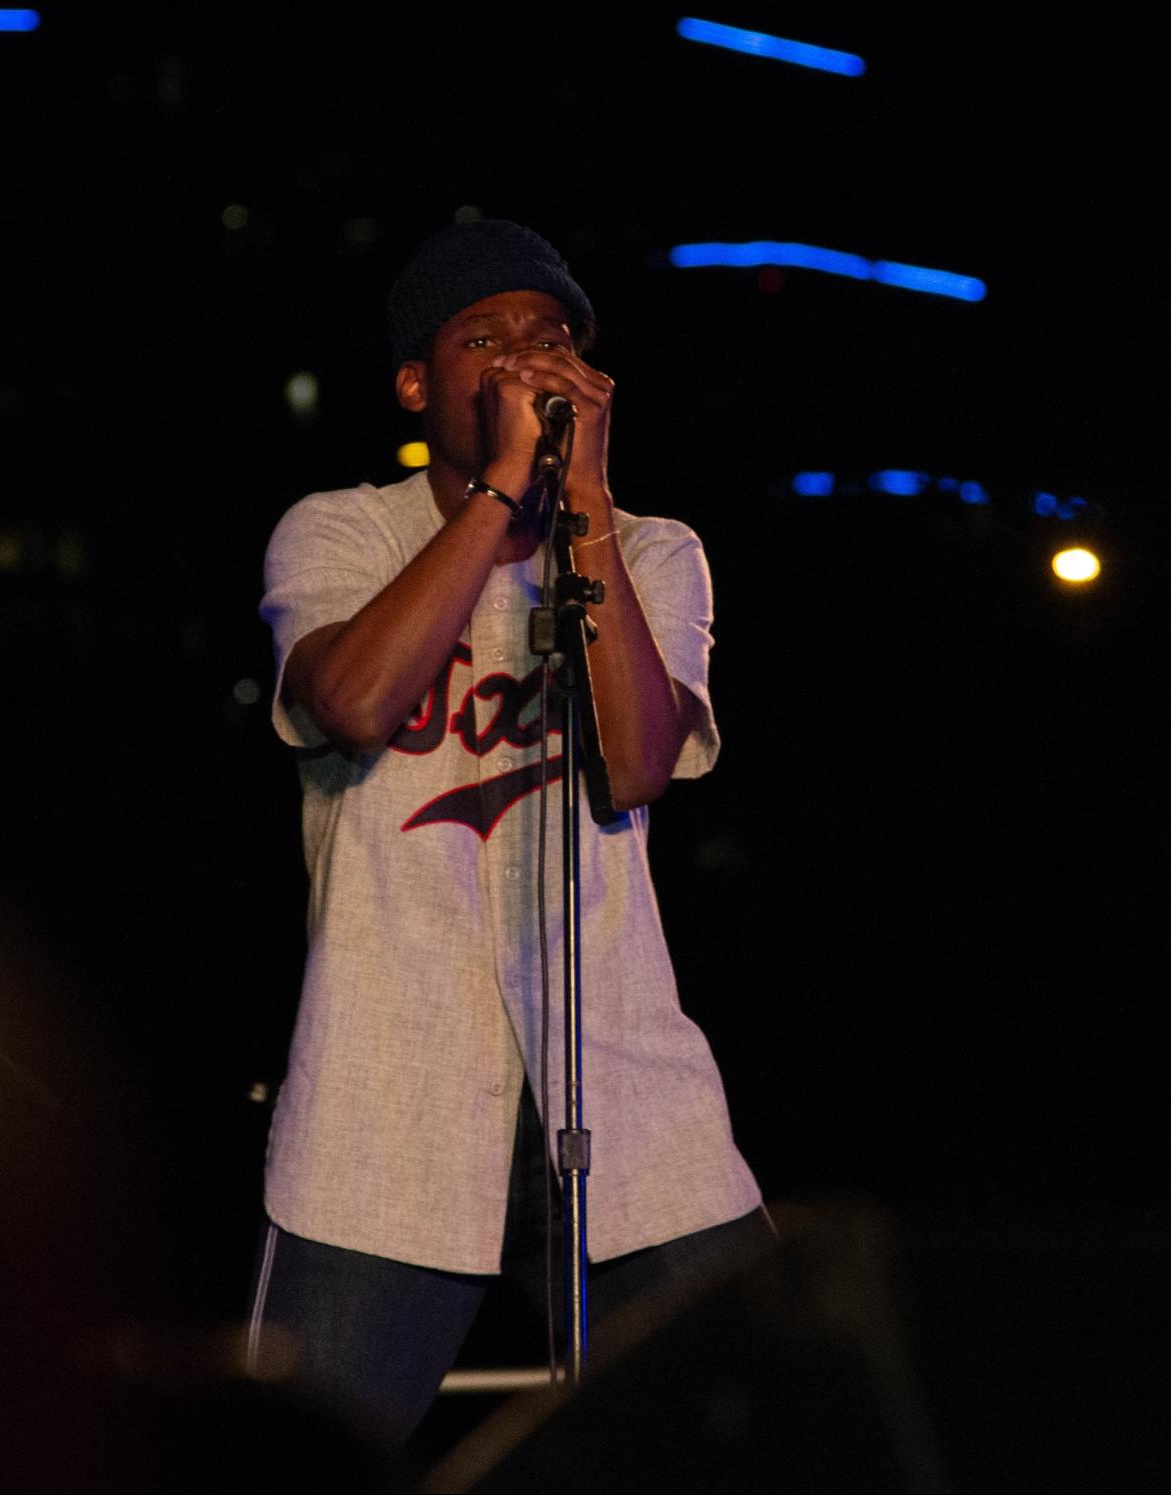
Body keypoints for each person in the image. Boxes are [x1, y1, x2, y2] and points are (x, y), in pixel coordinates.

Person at [251, 219, 769, 1448]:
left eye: (551, 338)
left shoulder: (650, 549)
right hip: (387, 1106)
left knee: (785, 1426)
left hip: (628, 1103)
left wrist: (580, 501)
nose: (527, 359)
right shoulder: (338, 532)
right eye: (484, 340)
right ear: (418, 386)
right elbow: (356, 701)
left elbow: (640, 760)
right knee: (289, 1460)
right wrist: (497, 494)